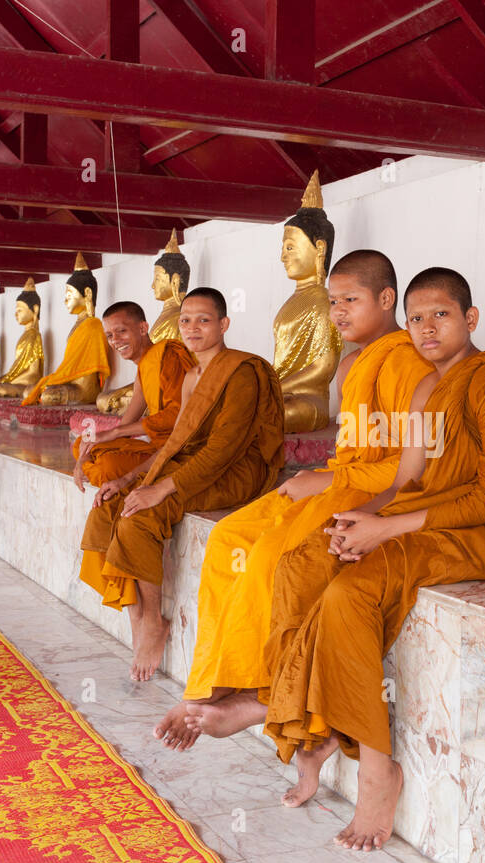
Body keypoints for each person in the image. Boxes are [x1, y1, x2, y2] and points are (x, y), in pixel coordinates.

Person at [262, 267, 485, 850]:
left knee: (349, 592)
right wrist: (362, 521)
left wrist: (388, 530)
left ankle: (377, 770)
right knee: (303, 562)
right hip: (429, 512)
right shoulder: (425, 389)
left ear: (470, 319)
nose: (425, 328)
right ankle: (310, 727)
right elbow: (407, 482)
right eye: (416, 317)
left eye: (440, 314)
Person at [152, 250, 433, 757]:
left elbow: (407, 466)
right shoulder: (352, 362)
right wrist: (324, 476)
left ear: (386, 299)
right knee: (228, 538)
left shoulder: (408, 362)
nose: (337, 312)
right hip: (339, 479)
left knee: (270, 556)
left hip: (363, 490)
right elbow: (355, 441)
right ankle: (211, 680)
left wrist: (330, 479)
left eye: (350, 299)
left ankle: (255, 686)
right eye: (332, 301)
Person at [78, 288, 284, 681]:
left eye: (204, 320)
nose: (192, 328)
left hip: (238, 469)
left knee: (142, 514)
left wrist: (162, 488)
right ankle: (137, 615)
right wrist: (129, 478)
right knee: (110, 506)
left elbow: (223, 449)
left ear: (224, 324)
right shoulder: (192, 375)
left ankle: (153, 621)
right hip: (196, 462)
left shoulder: (241, 371)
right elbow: (177, 442)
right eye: (186, 320)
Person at [72, 301, 196, 489]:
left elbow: (179, 415)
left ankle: (95, 469)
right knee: (83, 442)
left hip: (179, 449)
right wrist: (84, 456)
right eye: (110, 335)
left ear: (143, 328)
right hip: (157, 445)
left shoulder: (167, 355)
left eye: (121, 331)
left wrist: (114, 432)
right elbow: (126, 424)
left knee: (107, 467)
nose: (115, 340)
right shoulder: (144, 368)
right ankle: (90, 465)